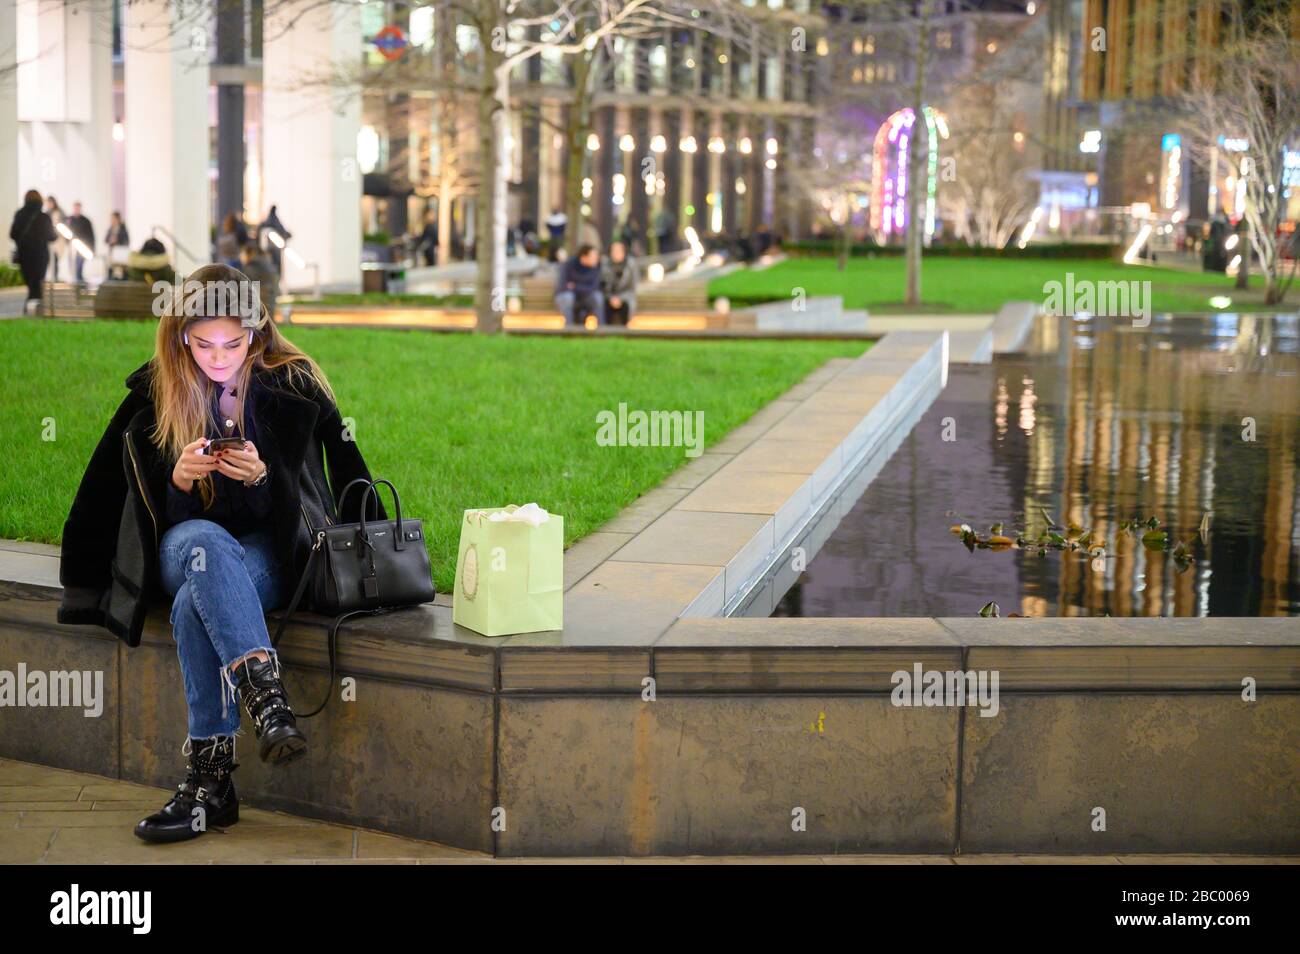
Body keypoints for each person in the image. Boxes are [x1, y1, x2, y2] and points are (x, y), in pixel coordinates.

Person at [56, 262, 386, 844]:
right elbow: (103, 490)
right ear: (181, 336)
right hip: (180, 546)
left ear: (256, 334)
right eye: (203, 343)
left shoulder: (292, 381)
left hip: (267, 556)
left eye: (232, 344)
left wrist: (265, 478)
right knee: (204, 544)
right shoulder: (157, 390)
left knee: (194, 603)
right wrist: (178, 481)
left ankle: (209, 784)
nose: (217, 357)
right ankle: (266, 696)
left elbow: (347, 471)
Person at [9, 189, 57, 307]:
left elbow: (13, 234)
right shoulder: (44, 217)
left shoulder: (19, 214)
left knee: (30, 282)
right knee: (38, 281)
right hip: (40, 255)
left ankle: (31, 305)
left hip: (24, 254)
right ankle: (35, 306)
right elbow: (52, 237)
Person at [554, 243, 604, 327]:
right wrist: (583, 287)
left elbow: (594, 287)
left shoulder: (596, 267)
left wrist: (575, 286)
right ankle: (569, 329)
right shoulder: (568, 265)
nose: (597, 259)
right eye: (594, 257)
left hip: (585, 298)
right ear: (584, 257)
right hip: (567, 298)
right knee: (568, 297)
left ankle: (602, 330)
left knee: (598, 297)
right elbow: (563, 286)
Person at [238, 241, 280, 322]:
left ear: (248, 253)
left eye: (242, 254)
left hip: (263, 295)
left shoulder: (252, 266)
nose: (240, 256)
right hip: (270, 293)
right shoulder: (264, 261)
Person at [602, 240, 637, 327]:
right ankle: (604, 330)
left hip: (625, 297)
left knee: (626, 306)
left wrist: (620, 298)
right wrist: (611, 298)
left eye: (619, 250)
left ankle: (625, 330)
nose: (616, 253)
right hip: (607, 297)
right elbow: (601, 286)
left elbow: (632, 288)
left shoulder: (631, 265)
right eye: (614, 250)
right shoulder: (604, 265)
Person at [66, 201, 96, 283]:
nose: (77, 210)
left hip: (82, 247)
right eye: (75, 208)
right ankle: (74, 281)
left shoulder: (86, 221)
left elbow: (91, 236)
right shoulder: (69, 219)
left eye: (78, 208)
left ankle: (79, 282)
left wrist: (92, 248)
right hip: (72, 247)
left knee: (79, 267)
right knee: (72, 266)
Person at [261, 204, 291, 272]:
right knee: (275, 263)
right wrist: (287, 234)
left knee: (271, 263)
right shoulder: (275, 220)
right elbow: (281, 229)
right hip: (274, 247)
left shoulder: (268, 220)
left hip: (271, 246)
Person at [45, 195, 66, 280]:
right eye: (48, 203)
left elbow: (64, 223)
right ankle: (50, 277)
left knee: (56, 258)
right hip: (49, 239)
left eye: (50, 202)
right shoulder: (46, 214)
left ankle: (55, 277)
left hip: (58, 239)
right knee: (49, 258)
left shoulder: (60, 212)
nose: (49, 204)